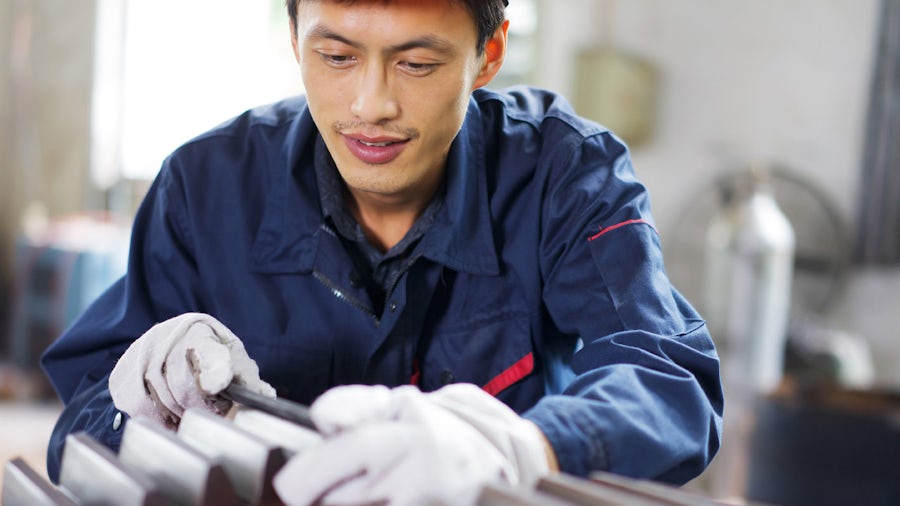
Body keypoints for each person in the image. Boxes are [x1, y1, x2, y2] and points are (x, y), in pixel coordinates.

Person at [42, 0, 723, 504]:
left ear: (489, 55)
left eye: (417, 64)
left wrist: (520, 446)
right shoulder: (205, 187)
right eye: (336, 56)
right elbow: (78, 425)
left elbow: (670, 381)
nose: (371, 105)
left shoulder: (565, 176)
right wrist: (143, 406)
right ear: (294, 38)